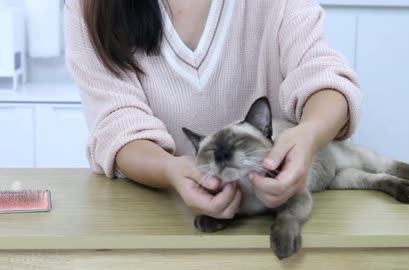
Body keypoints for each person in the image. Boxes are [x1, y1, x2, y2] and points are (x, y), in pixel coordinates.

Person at [64, 0, 361, 220]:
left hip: (278, 216)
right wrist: (172, 171)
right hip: (166, 220)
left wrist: (309, 134)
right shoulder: (88, 8)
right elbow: (117, 124)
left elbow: (321, 74)